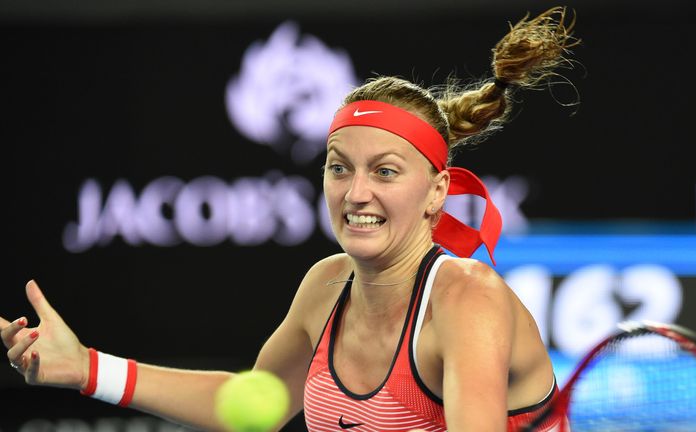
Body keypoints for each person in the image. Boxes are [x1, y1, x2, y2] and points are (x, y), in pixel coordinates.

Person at [2, 7, 578, 432]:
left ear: (437, 193)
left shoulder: (467, 299)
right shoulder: (326, 285)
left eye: (384, 172)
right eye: (338, 168)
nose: (356, 193)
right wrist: (86, 369)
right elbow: (253, 403)